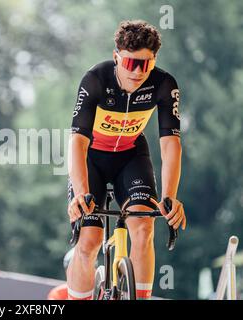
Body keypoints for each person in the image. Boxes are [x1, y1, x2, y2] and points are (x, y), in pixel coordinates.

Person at [66, 20, 187, 300]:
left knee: (144, 227)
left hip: (130, 156)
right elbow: (78, 142)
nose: (138, 72)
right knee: (89, 240)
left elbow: (171, 144)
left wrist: (170, 197)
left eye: (145, 65)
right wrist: (81, 193)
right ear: (116, 57)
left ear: (154, 61)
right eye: (131, 64)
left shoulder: (164, 84)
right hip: (92, 158)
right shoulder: (96, 79)